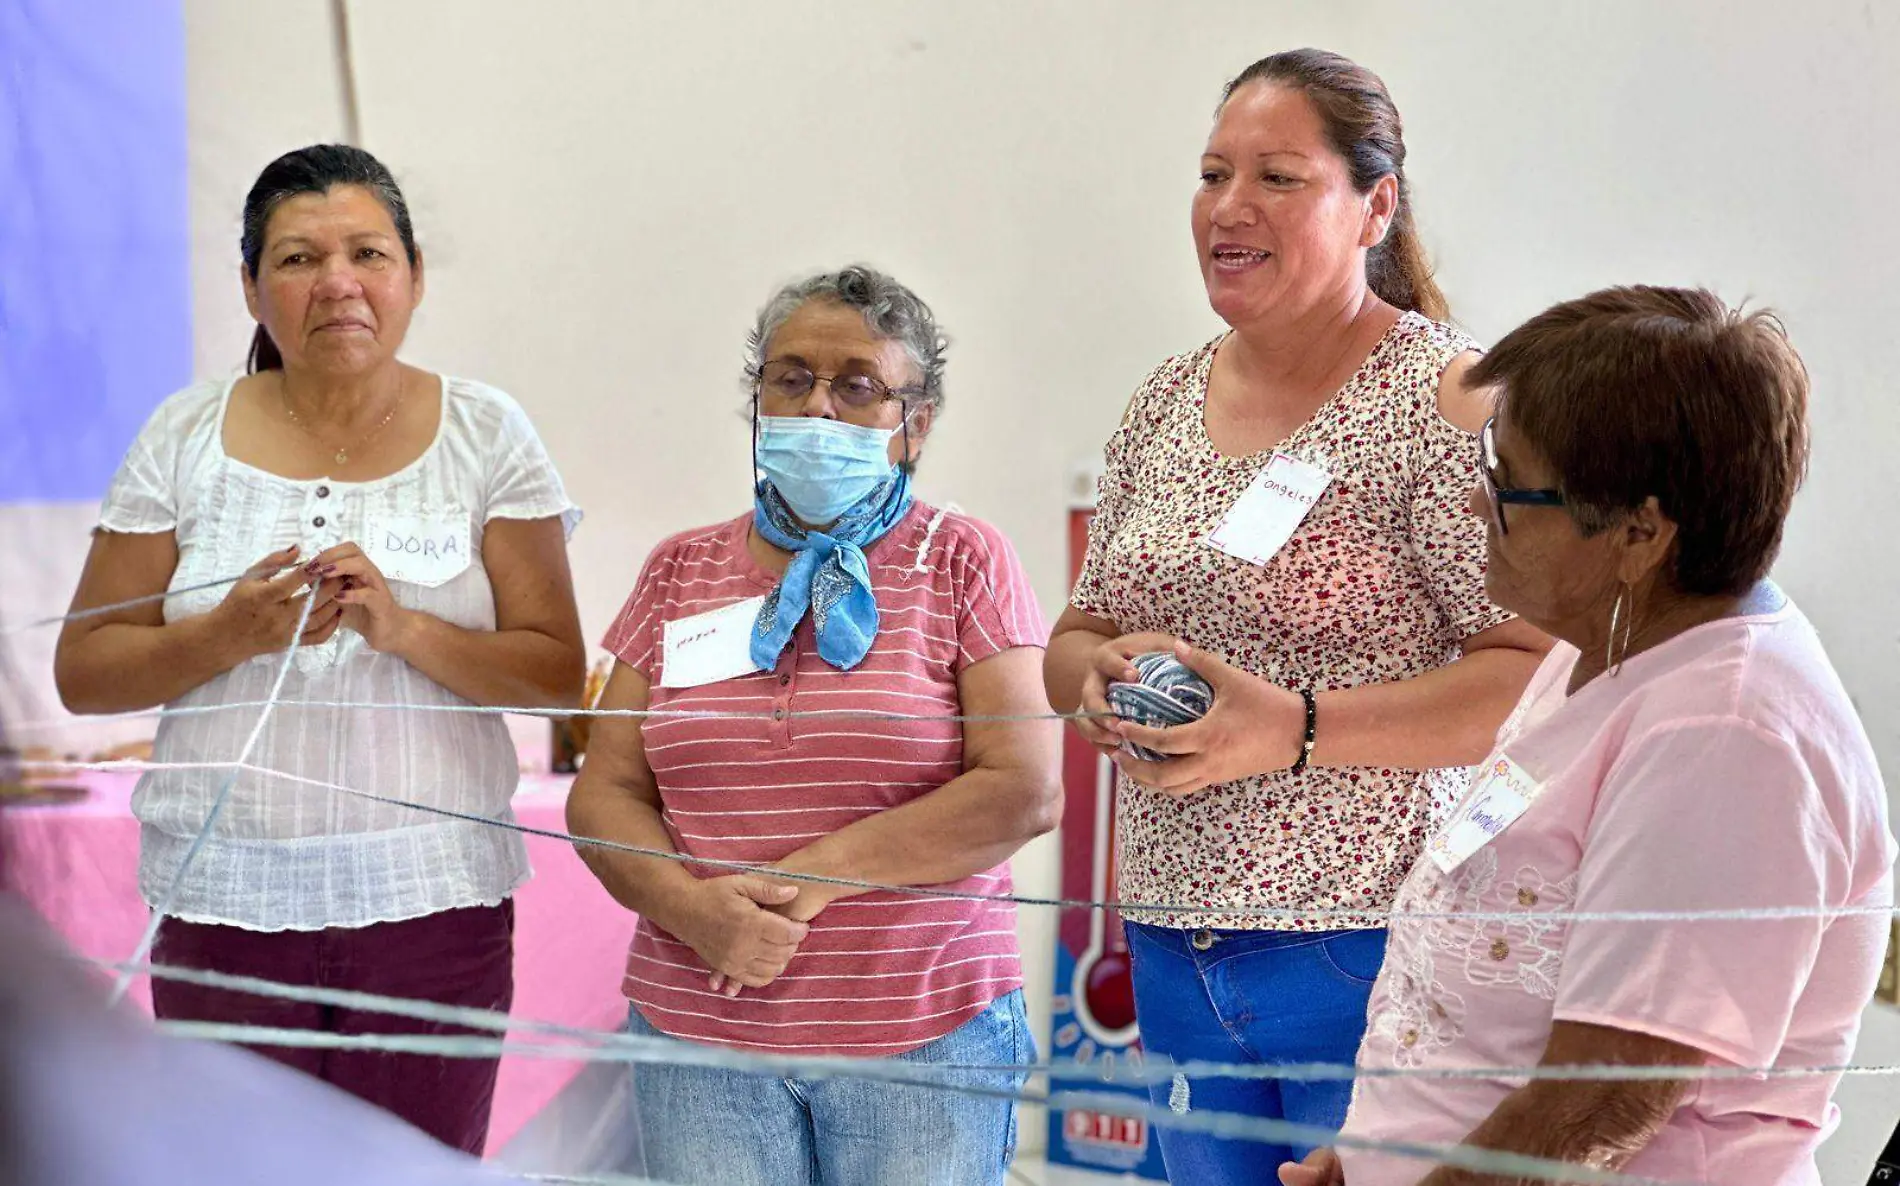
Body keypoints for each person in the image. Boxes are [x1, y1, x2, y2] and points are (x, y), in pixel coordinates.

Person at [1042, 48, 1550, 1179]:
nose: (1228, 207)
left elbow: (1529, 671)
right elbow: (1076, 628)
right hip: (1173, 942)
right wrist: (1084, 674)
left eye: (1278, 177)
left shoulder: (1444, 403)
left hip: (1369, 949)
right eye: (1213, 172)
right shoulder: (1164, 399)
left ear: (1375, 206)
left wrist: (1295, 724)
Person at [1282, 286, 1896, 1185]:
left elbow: (1601, 1100)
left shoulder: (1724, 738)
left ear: (1639, 533)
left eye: (1508, 483)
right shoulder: (1612, 636)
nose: (1476, 504)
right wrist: (1376, 1147)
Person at [53, 144, 585, 1154]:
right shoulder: (184, 433)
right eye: (297, 259)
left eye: (367, 253)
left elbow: (557, 671)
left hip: (432, 906)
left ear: (414, 275)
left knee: (413, 1174)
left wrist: (408, 629)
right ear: (251, 287)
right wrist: (223, 635)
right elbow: (83, 672)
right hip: (226, 908)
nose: (337, 283)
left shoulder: (486, 433)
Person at [567, 265, 1060, 1186]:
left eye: (858, 385)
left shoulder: (964, 558)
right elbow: (606, 790)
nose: (819, 406)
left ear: (915, 423)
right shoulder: (678, 570)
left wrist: (802, 884)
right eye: (790, 378)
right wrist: (692, 911)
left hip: (922, 1031)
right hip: (698, 1031)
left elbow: (1024, 791)